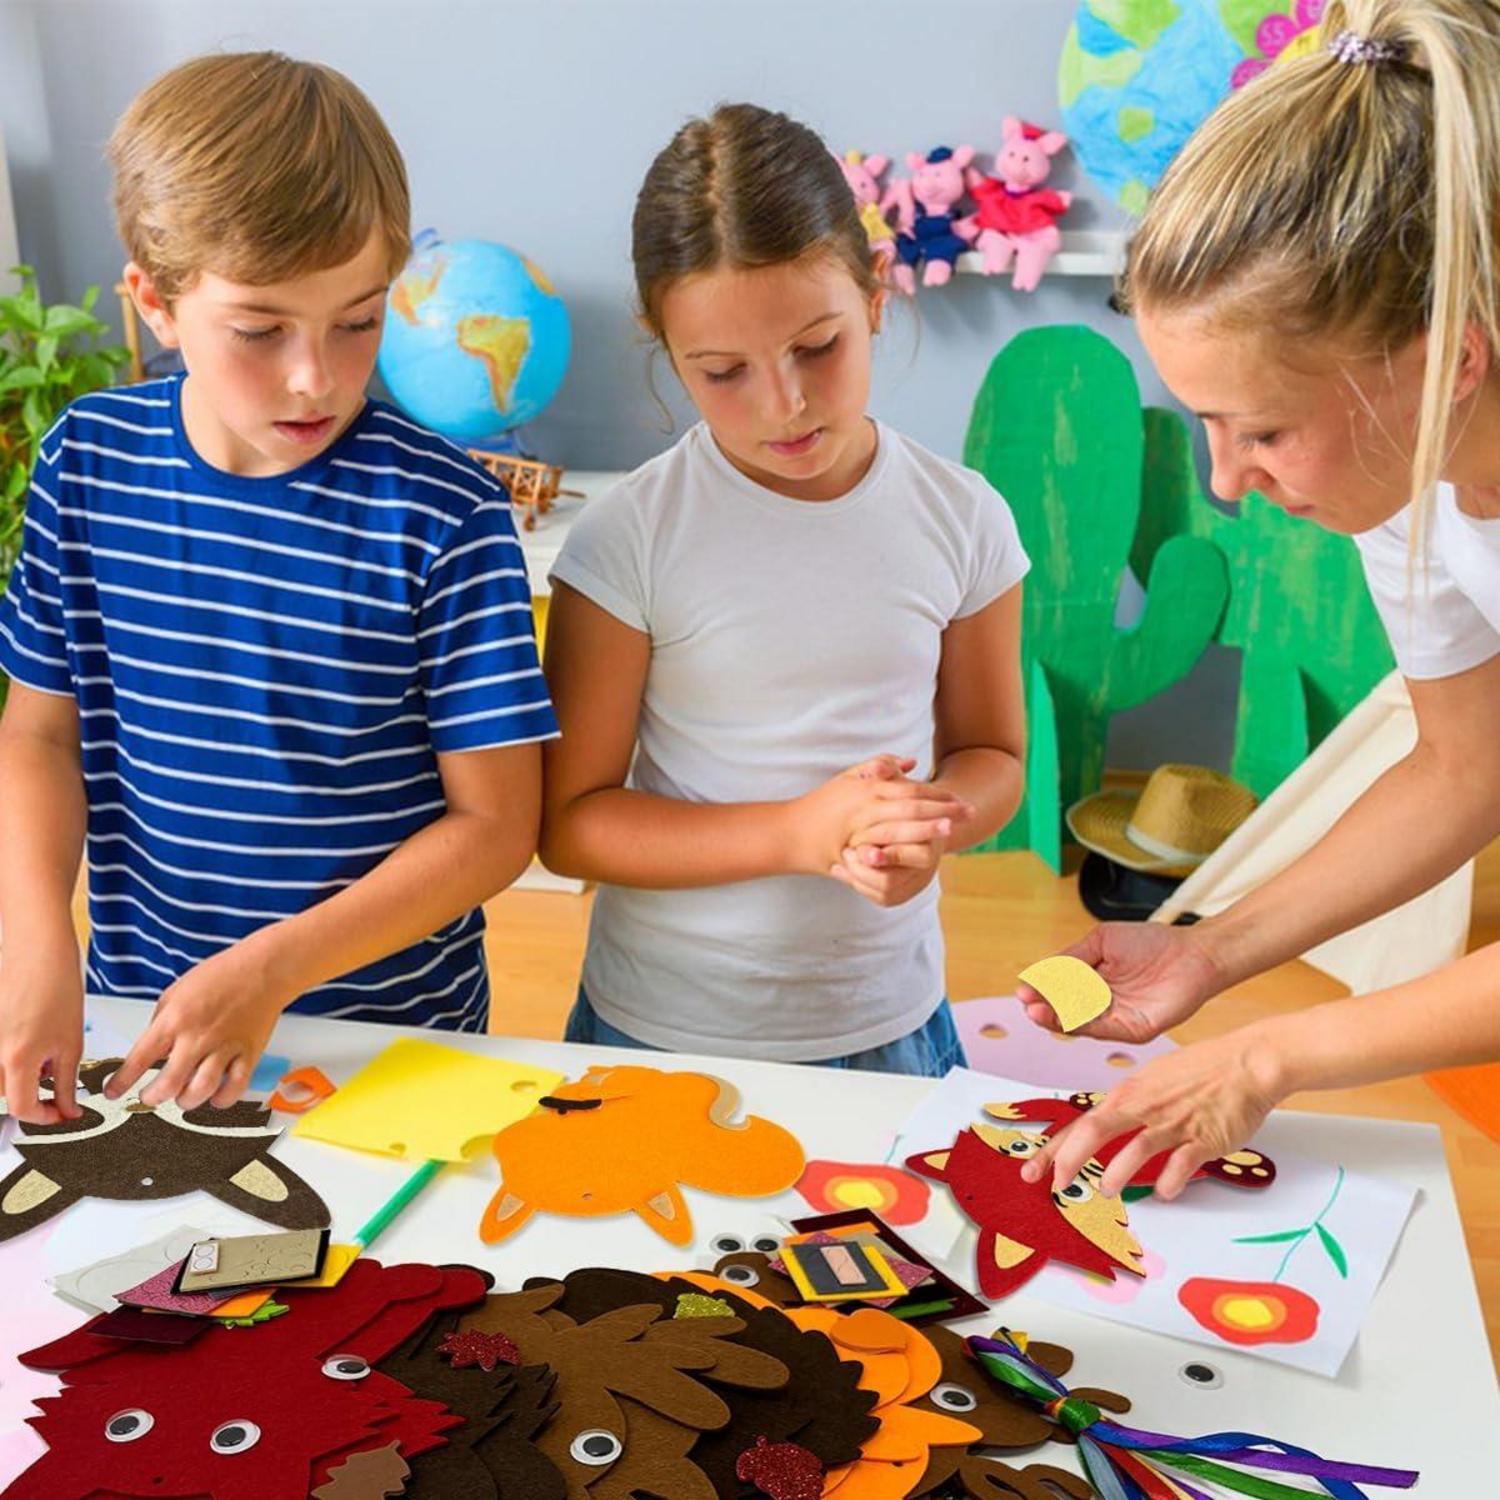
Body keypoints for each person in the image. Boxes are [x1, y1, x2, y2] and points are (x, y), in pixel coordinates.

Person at [0, 53, 556, 1126]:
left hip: (389, 1050)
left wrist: (273, 970)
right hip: (143, 1022)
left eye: (358, 320)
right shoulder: (87, 462)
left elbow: (497, 826)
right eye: (260, 330)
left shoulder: (447, 514)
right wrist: (36, 943)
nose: (317, 375)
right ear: (154, 302)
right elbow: (38, 737)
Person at [1021, 0, 1500, 1199]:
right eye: (1207, 430)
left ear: (1450, 359)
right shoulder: (1409, 467)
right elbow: (1465, 767)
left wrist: (1269, 1054)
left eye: (1266, 432)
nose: (1230, 483)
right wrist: (1208, 953)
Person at [538, 103, 1028, 1074]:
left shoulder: (964, 518)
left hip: (887, 1017)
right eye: (723, 372)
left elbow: (993, 753)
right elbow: (571, 825)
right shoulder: (628, 537)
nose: (786, 403)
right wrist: (800, 834)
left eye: (819, 346)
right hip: (664, 1028)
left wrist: (933, 824)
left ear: (876, 295)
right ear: (666, 350)